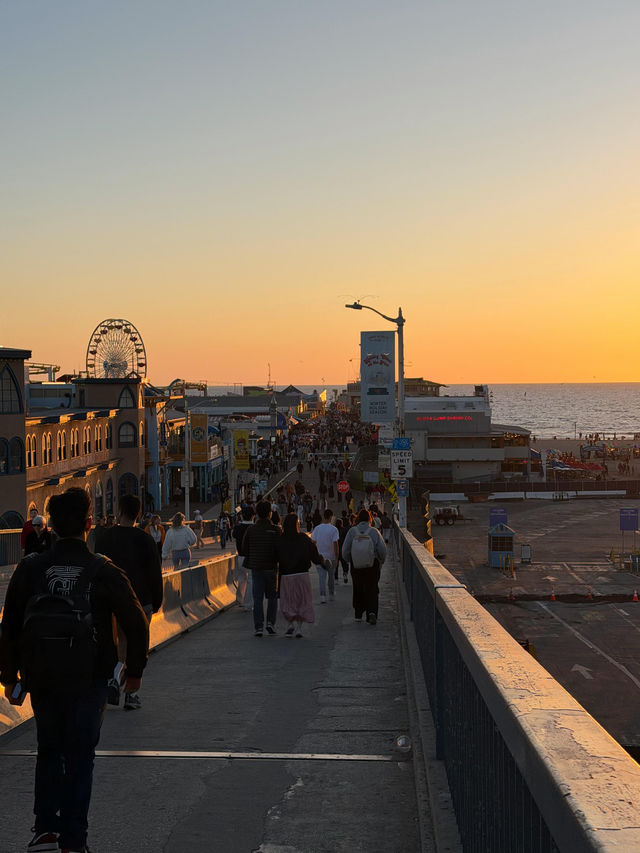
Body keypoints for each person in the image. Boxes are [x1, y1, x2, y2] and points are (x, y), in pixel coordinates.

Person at [0, 487, 149, 853]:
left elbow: (10, 627)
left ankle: (45, 829)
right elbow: (136, 621)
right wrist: (134, 672)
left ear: (49, 525)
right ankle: (73, 839)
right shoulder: (102, 570)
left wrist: (9, 677)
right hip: (90, 677)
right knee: (81, 755)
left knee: (49, 748)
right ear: (89, 523)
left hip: (44, 678)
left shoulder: (31, 568)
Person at [99, 494, 163, 710]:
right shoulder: (145, 539)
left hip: (111, 602)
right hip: (140, 601)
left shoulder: (105, 538)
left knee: (118, 647)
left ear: (119, 511)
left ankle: (113, 678)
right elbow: (155, 572)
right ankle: (131, 694)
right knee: (137, 649)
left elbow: (97, 570)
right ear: (138, 513)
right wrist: (157, 600)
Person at [276, 514, 319, 637]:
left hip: (286, 576)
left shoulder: (280, 539)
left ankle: (290, 624)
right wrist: (321, 561)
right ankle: (299, 628)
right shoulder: (304, 538)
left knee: (288, 601)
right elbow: (314, 554)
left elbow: (275, 556)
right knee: (302, 601)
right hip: (302, 574)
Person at [342, 508, 387, 625]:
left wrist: (350, 560)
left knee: (358, 587)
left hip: (356, 565)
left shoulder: (352, 531)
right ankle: (371, 612)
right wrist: (381, 560)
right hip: (372, 565)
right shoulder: (374, 531)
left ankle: (358, 613)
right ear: (370, 519)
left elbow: (345, 550)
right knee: (372, 587)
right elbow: (382, 550)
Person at [242, 499, 280, 637]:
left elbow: (244, 548)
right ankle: (270, 623)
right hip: (271, 568)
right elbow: (279, 549)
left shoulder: (251, 529)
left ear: (257, 513)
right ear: (270, 513)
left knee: (257, 598)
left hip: (256, 568)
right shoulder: (276, 529)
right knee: (272, 597)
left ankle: (258, 627)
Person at [311, 508, 339, 603]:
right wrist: (336, 557)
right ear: (331, 517)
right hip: (331, 557)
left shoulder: (317, 528)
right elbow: (335, 544)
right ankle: (331, 594)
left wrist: (316, 553)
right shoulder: (334, 529)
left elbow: (313, 542)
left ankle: (322, 596)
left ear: (324, 516)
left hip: (320, 556)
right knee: (331, 576)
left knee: (321, 578)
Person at [232, 505, 255, 612]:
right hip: (251, 557)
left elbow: (234, 536)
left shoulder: (238, 528)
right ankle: (248, 604)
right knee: (250, 579)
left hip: (240, 557)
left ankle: (239, 599)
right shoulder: (254, 528)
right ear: (253, 516)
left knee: (241, 578)